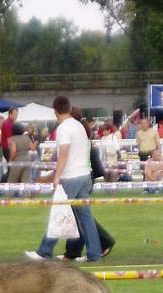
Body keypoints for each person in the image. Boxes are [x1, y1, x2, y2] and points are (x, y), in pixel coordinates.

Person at [25, 96, 102, 262]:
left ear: (55, 111)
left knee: (58, 213)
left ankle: (44, 251)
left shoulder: (64, 129)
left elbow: (64, 154)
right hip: (84, 175)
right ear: (69, 108)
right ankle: (94, 254)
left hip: (71, 176)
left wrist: (56, 176)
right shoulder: (79, 126)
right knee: (85, 217)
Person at [59, 117, 115, 260]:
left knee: (80, 217)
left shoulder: (86, 146)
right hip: (84, 179)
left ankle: (101, 243)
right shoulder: (86, 145)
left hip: (81, 180)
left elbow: (97, 168)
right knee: (81, 217)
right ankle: (77, 251)